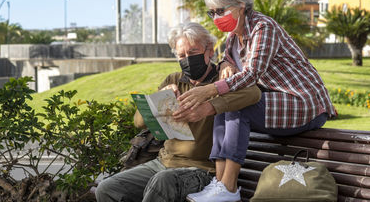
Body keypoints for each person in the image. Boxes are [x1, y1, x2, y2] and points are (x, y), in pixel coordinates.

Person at [176, 0, 337, 202]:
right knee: (225, 105)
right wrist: (225, 64)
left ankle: (229, 188)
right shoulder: (233, 37)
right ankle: (219, 183)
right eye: (212, 12)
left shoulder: (263, 27)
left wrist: (209, 90)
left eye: (221, 10)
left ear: (241, 5)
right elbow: (227, 62)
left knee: (237, 107)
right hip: (278, 105)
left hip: (304, 103)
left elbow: (252, 73)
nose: (216, 18)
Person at [95, 22, 261, 202]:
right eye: (182, 55)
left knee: (162, 183)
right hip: (163, 163)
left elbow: (254, 93)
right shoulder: (174, 79)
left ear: (210, 51)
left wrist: (208, 106)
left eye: (193, 53)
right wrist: (159, 97)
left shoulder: (223, 79)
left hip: (202, 170)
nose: (187, 60)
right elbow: (138, 122)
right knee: (107, 189)